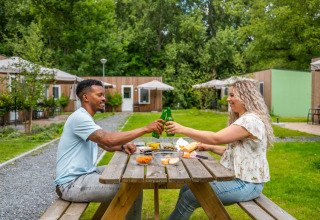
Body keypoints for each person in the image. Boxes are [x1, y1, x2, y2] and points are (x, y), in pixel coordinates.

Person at [55, 79, 164, 220]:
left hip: (86, 174)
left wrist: (123, 146)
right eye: (99, 95)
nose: (104, 98)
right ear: (86, 97)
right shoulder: (79, 119)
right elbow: (109, 139)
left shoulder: (85, 118)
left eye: (103, 95)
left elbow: (106, 145)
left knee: (126, 169)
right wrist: (145, 129)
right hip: (71, 184)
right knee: (132, 186)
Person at [165, 79, 274, 220]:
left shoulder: (250, 121)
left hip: (247, 184)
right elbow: (233, 152)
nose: (228, 99)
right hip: (237, 180)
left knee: (190, 197)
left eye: (232, 95)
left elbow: (216, 137)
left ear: (246, 96)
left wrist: (183, 129)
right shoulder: (245, 119)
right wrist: (208, 147)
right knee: (187, 187)